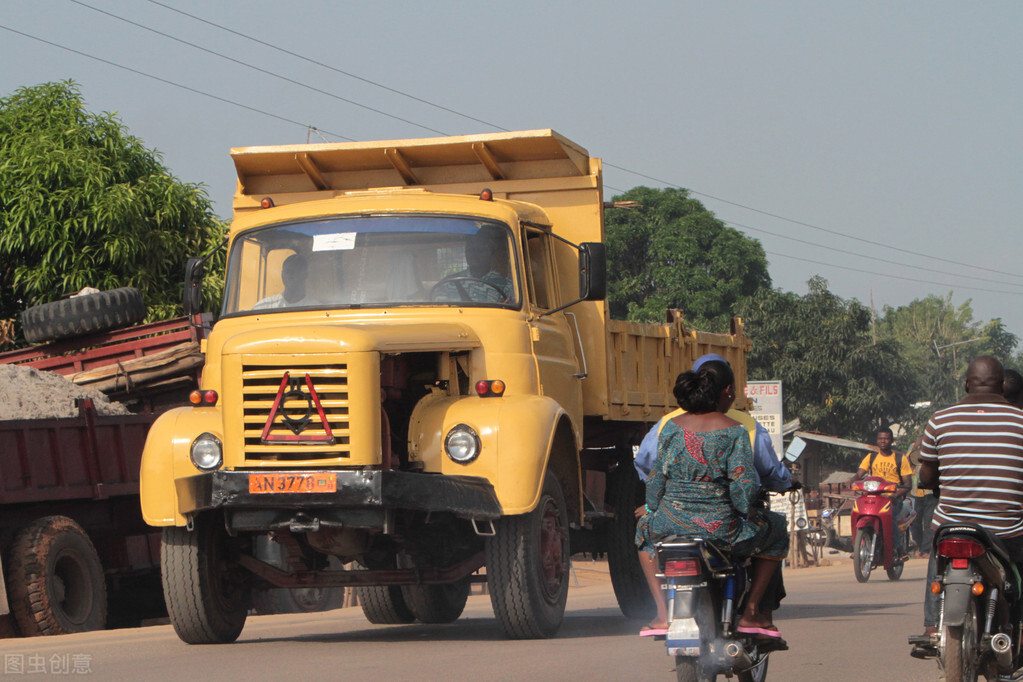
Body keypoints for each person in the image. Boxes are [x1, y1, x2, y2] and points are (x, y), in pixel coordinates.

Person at [635, 360, 789, 643]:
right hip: (720, 529)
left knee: (644, 530)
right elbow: (743, 488)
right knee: (777, 528)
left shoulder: (671, 428)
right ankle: (751, 612)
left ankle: (662, 614)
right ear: (727, 391)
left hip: (669, 524)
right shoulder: (735, 431)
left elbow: (655, 481)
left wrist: (654, 509)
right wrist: (746, 511)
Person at [910, 356, 1023, 657]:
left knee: (938, 559)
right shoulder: (1020, 420)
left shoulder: (940, 420)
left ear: (965, 385)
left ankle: (931, 627)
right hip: (1006, 529)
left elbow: (927, 476)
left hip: (952, 525)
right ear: (1002, 386)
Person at [854, 426, 913, 561]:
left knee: (889, 515)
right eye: (880, 438)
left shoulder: (900, 458)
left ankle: (899, 549)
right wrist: (851, 481)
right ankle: (857, 548)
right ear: (877, 440)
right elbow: (859, 474)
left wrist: (895, 495)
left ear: (891, 440)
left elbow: (907, 484)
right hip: (874, 497)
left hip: (893, 499)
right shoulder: (871, 457)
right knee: (858, 511)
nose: (883, 441)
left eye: (886, 438)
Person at [433, 226, 513, 302]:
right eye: (470, 250)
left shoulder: (505, 285)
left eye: (479, 250)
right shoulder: (448, 283)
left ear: (490, 251)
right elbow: (439, 307)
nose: (473, 254)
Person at [908, 436, 937, 559]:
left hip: (931, 490)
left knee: (929, 522)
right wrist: (915, 447)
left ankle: (925, 550)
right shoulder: (913, 446)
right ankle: (920, 547)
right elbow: (907, 464)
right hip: (915, 491)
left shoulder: (935, 446)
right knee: (915, 522)